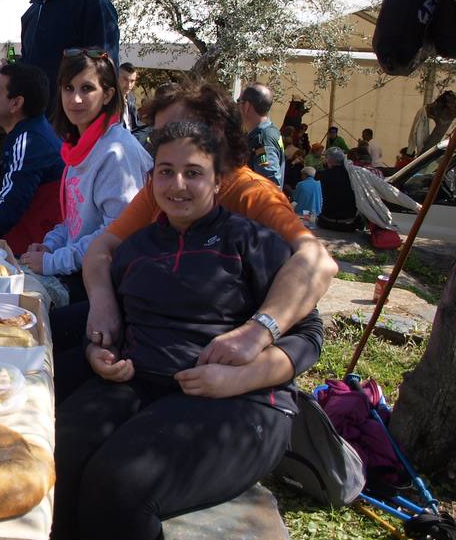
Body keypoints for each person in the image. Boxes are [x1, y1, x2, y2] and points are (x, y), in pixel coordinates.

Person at [53, 120, 322, 540]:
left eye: (193, 173)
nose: (177, 185)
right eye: (166, 172)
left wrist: (238, 375)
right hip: (142, 385)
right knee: (57, 451)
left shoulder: (254, 244)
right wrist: (98, 354)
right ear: (151, 178)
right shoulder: (137, 248)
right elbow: (112, 326)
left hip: (241, 403)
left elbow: (308, 339)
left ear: (219, 181)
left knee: (121, 480)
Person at [78, 82, 338, 402]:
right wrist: (102, 303)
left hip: (216, 365)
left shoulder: (253, 195)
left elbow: (317, 262)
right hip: (150, 342)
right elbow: (102, 248)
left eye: (174, 130)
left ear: (213, 132)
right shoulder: (161, 188)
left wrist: (258, 331)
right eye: (159, 137)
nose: (165, 144)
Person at [20, 49, 150, 304]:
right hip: (76, 272)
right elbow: (75, 223)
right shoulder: (80, 146)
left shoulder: (117, 151)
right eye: (68, 88)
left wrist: (52, 261)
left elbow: (117, 233)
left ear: (108, 95)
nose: (75, 99)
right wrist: (50, 245)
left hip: (106, 287)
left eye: (87, 88)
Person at [0, 62, 64, 255]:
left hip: (28, 254)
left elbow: (10, 207)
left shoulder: (29, 139)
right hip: (33, 247)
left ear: (16, 103)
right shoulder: (33, 131)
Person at [238, 83, 284, 188]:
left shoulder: (262, 140)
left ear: (247, 106)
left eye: (239, 102)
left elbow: (270, 183)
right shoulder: (269, 132)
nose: (237, 107)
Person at [317, 147, 362, 231]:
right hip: (348, 223)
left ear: (330, 161)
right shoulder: (353, 174)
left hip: (327, 221)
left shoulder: (324, 175)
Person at [118, 62, 140, 132]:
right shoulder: (108, 100)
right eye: (125, 79)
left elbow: (135, 124)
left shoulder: (131, 98)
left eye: (132, 81)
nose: (129, 85)